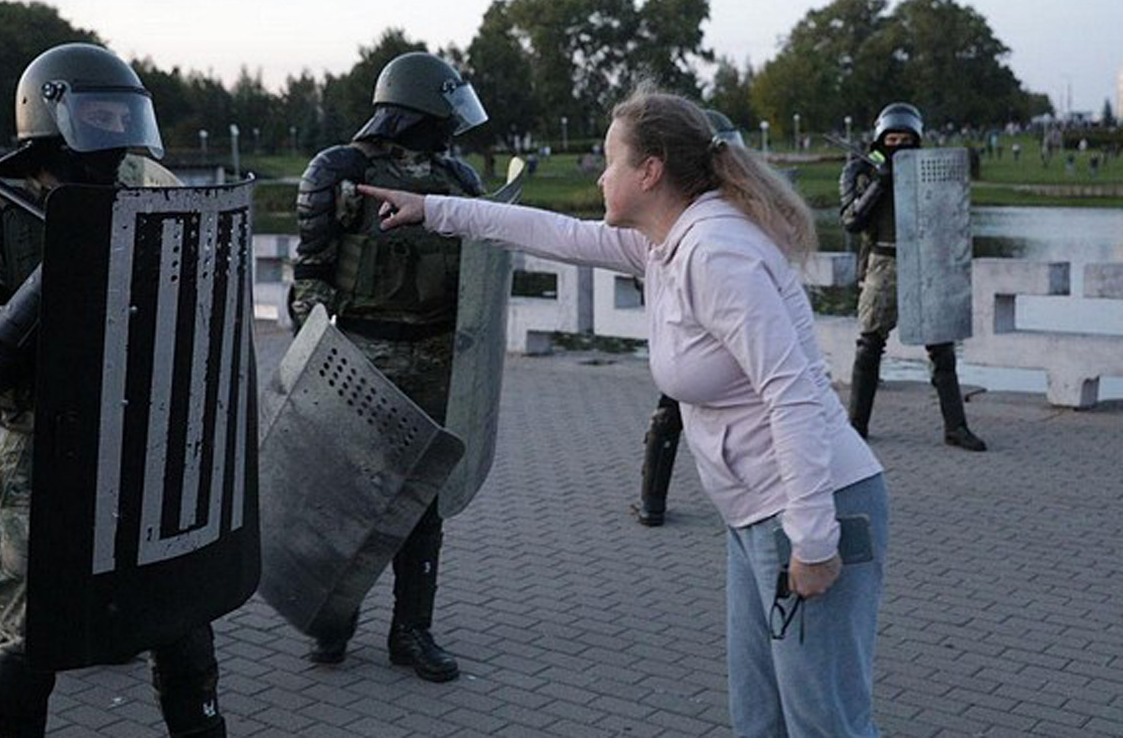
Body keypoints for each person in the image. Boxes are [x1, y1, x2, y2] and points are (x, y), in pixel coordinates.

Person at [371, 86, 889, 736]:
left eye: (611, 159)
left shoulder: (714, 252)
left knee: (824, 723)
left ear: (651, 171)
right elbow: (554, 232)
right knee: (761, 718)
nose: (600, 172)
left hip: (813, 507)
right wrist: (432, 209)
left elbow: (794, 394)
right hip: (759, 513)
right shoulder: (664, 242)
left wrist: (814, 541)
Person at [0, 43, 227, 738]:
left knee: (185, 638)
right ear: (52, 117)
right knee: (32, 645)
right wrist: (62, 260)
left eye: (126, 113)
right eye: (100, 113)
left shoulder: (154, 209)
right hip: (45, 459)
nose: (117, 130)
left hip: (148, 450)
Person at [288, 51, 488, 683]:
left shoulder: (458, 180)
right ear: (420, 109)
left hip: (435, 359)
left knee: (422, 503)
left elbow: (483, 278)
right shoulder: (340, 171)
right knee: (344, 497)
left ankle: (412, 630)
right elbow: (312, 274)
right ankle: (330, 618)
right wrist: (321, 353)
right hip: (361, 361)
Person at [839, 103, 986, 451]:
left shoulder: (929, 169)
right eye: (892, 138)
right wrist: (881, 181)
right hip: (884, 262)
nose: (899, 144)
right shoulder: (859, 170)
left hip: (927, 261)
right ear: (880, 138)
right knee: (870, 343)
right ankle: (856, 426)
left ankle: (955, 427)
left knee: (941, 345)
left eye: (906, 139)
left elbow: (949, 213)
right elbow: (851, 220)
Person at [633, 109, 744, 527]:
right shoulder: (681, 229)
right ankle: (652, 501)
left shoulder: (720, 236)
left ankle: (654, 503)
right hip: (755, 502)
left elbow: (790, 390)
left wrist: (812, 533)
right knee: (671, 404)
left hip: (768, 495)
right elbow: (567, 235)